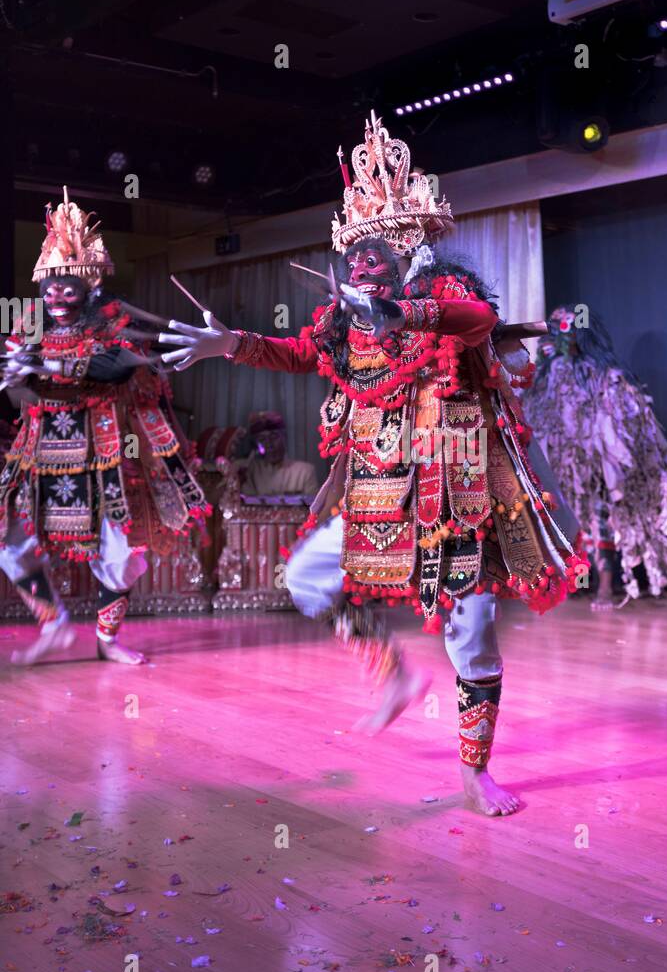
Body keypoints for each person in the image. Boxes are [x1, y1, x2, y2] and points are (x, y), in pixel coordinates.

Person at [162, 113, 584, 816]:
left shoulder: (445, 299)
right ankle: (392, 678)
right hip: (376, 497)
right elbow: (300, 353)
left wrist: (404, 316)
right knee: (303, 576)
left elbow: (478, 320)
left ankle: (474, 773)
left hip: (454, 501)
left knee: (473, 642)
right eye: (355, 245)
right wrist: (230, 343)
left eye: (379, 244)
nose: (364, 258)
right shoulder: (342, 324)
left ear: (412, 245)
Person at [0, 189, 207, 664]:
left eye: (68, 289)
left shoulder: (109, 321)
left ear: (89, 290)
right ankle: (53, 624)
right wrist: (16, 375)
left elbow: (117, 363)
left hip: (104, 450)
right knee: (10, 538)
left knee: (122, 553)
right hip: (42, 449)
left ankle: (107, 639)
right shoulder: (30, 323)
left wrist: (49, 366)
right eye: (50, 288)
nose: (56, 299)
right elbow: (19, 388)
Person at [524, 304, 667, 606]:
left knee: (603, 513)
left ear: (582, 334)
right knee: (573, 516)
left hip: (599, 462)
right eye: (554, 328)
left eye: (566, 329)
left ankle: (605, 584)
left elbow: (625, 415)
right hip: (565, 463)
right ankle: (578, 578)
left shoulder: (605, 374)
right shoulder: (548, 376)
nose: (559, 336)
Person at [241, 411, 319, 498]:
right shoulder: (250, 471)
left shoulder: (305, 472)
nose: (269, 444)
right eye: (262, 439)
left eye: (273, 437)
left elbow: (313, 507)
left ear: (284, 437)